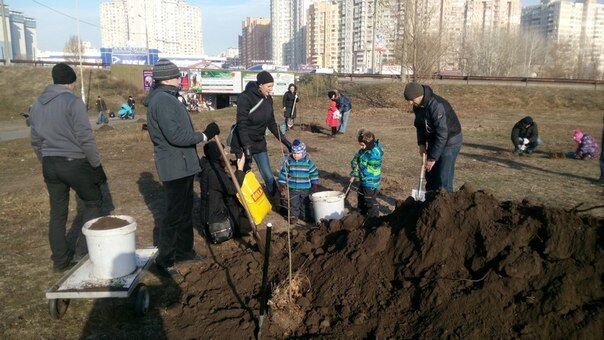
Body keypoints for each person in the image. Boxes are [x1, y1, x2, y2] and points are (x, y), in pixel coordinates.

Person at [143, 58, 220, 275]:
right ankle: (165, 260)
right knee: (174, 215)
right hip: (174, 166)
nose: (180, 79)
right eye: (178, 76)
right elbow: (175, 135)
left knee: (185, 211)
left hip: (183, 164)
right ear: (168, 79)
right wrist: (204, 135)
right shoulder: (163, 101)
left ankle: (185, 251)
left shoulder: (167, 98)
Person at [29, 63, 106, 272]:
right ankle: (85, 252)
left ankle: (60, 261)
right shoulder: (73, 101)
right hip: (74, 162)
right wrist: (96, 165)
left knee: (57, 213)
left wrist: (44, 159)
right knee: (93, 202)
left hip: (49, 164)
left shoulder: (36, 105)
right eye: (74, 83)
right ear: (71, 82)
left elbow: (35, 140)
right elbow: (85, 137)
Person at [230, 71, 292, 201]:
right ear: (261, 85)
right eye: (269, 86)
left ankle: (276, 200)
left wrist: (285, 141)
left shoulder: (268, 99)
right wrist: (246, 147)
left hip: (259, 142)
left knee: (268, 175)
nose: (271, 89)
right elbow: (242, 124)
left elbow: (272, 123)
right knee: (245, 174)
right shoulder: (245, 97)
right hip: (243, 142)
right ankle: (241, 203)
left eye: (272, 86)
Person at [404, 82, 463, 192]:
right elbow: (420, 126)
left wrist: (432, 158)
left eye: (411, 99)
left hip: (450, 141)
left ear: (419, 95)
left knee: (443, 177)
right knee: (431, 175)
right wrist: (421, 144)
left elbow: (442, 134)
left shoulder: (436, 106)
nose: (410, 102)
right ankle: (429, 202)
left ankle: (445, 201)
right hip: (435, 139)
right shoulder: (418, 106)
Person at [199, 141, 251, 242]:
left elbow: (226, 183)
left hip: (218, 211)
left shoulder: (212, 166)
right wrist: (239, 169)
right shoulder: (213, 173)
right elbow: (232, 189)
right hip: (216, 224)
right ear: (217, 155)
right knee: (248, 224)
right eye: (223, 151)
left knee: (243, 212)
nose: (226, 153)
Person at [277, 139, 319, 223]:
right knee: (294, 204)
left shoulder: (308, 163)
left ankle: (306, 216)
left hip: (305, 188)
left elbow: (313, 174)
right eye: (294, 153)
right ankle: (293, 217)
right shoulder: (289, 162)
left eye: (298, 153)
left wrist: (314, 184)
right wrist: (282, 183)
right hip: (293, 188)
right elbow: (283, 172)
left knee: (305, 203)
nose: (296, 155)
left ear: (303, 153)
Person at [350, 129, 383, 219]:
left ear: (368, 144)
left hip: (370, 181)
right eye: (360, 145)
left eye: (362, 145)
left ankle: (374, 217)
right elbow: (357, 160)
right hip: (364, 180)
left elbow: (366, 167)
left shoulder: (375, 154)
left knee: (369, 199)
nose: (361, 147)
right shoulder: (364, 151)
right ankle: (361, 213)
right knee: (360, 194)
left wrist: (358, 171)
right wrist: (354, 173)